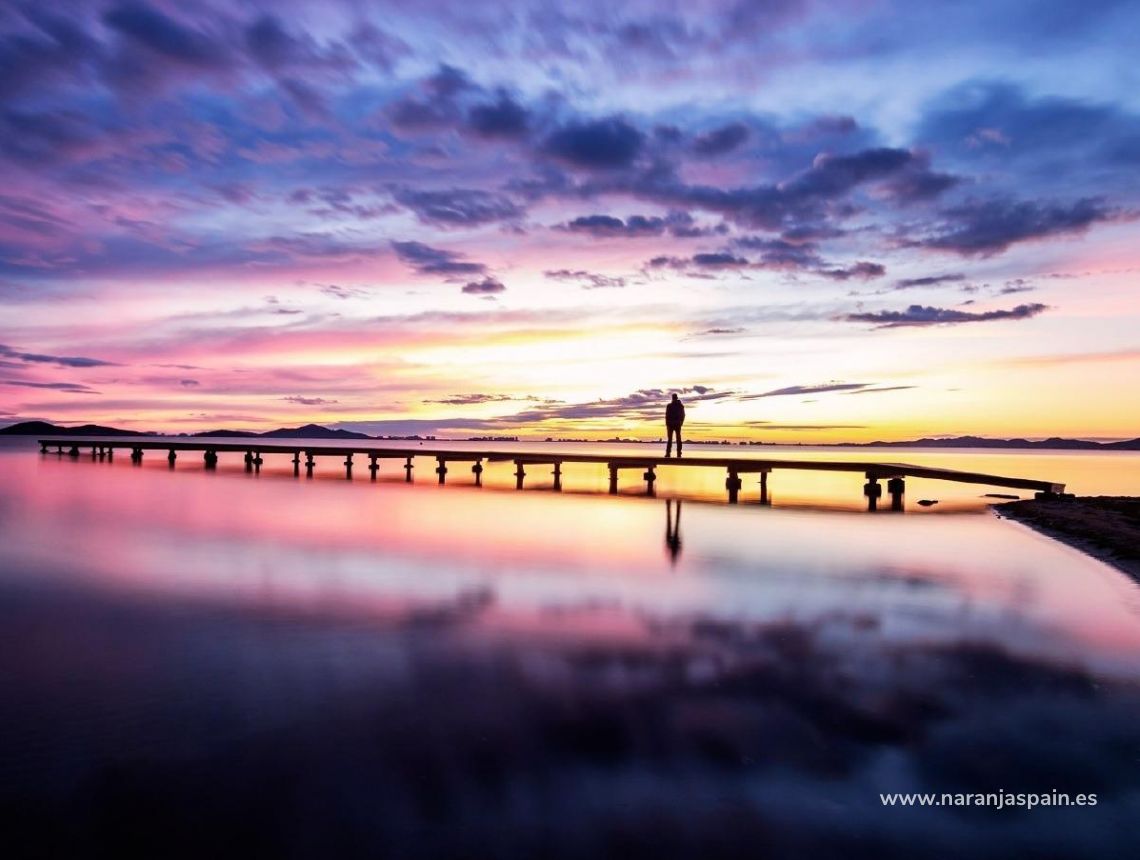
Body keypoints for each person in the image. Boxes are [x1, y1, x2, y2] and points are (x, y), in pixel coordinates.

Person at [665, 392, 685, 458]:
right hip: (671, 424)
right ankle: (669, 453)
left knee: (677, 439)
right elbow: (667, 415)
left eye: (674, 398)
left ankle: (678, 453)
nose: (673, 399)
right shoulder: (670, 406)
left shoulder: (680, 406)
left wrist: (681, 422)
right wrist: (667, 423)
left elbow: (683, 415)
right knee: (671, 439)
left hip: (676, 424)